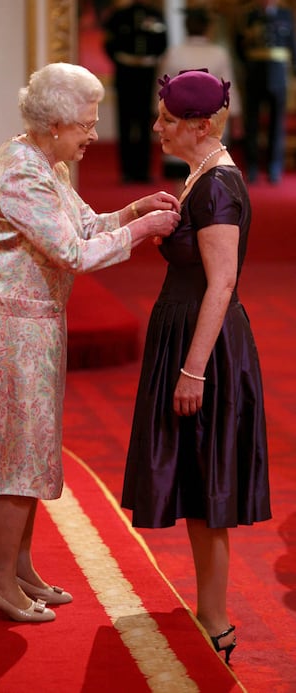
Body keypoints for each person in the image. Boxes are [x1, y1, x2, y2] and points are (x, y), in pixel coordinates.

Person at [0, 62, 180, 624]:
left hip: (31, 321)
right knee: (17, 456)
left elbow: (82, 226)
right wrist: (143, 233)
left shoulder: (45, 162)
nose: (93, 135)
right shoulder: (22, 174)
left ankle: (19, 568)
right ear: (53, 124)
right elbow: (73, 254)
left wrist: (131, 212)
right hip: (10, 325)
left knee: (30, 450)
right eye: (85, 124)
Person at [122, 69, 271, 664]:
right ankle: (209, 608)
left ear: (200, 126)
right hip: (187, 338)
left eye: (166, 119)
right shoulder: (199, 177)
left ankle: (217, 617)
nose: (155, 126)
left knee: (210, 484)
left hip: (204, 346)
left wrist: (193, 370)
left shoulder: (218, 188)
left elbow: (223, 283)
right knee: (194, 475)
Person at [160, 6, 243, 190]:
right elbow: (230, 92)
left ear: (186, 26)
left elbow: (161, 93)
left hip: (180, 123)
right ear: (208, 28)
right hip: (211, 124)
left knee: (182, 176)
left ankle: (182, 213)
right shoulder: (219, 53)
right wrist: (236, 120)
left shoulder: (174, 53)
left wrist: (159, 118)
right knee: (210, 170)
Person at [103, 1, 167, 182]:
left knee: (145, 121)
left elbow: (163, 42)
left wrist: (150, 59)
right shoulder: (119, 16)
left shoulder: (155, 15)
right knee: (125, 121)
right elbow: (108, 44)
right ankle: (126, 171)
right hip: (126, 72)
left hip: (146, 73)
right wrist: (123, 61)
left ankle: (143, 170)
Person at [235, 0, 296, 183]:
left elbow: (291, 44)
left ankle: (274, 166)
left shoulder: (286, 15)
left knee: (277, 124)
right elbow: (240, 45)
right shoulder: (249, 16)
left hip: (278, 75)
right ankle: (252, 166)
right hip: (255, 74)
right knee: (251, 123)